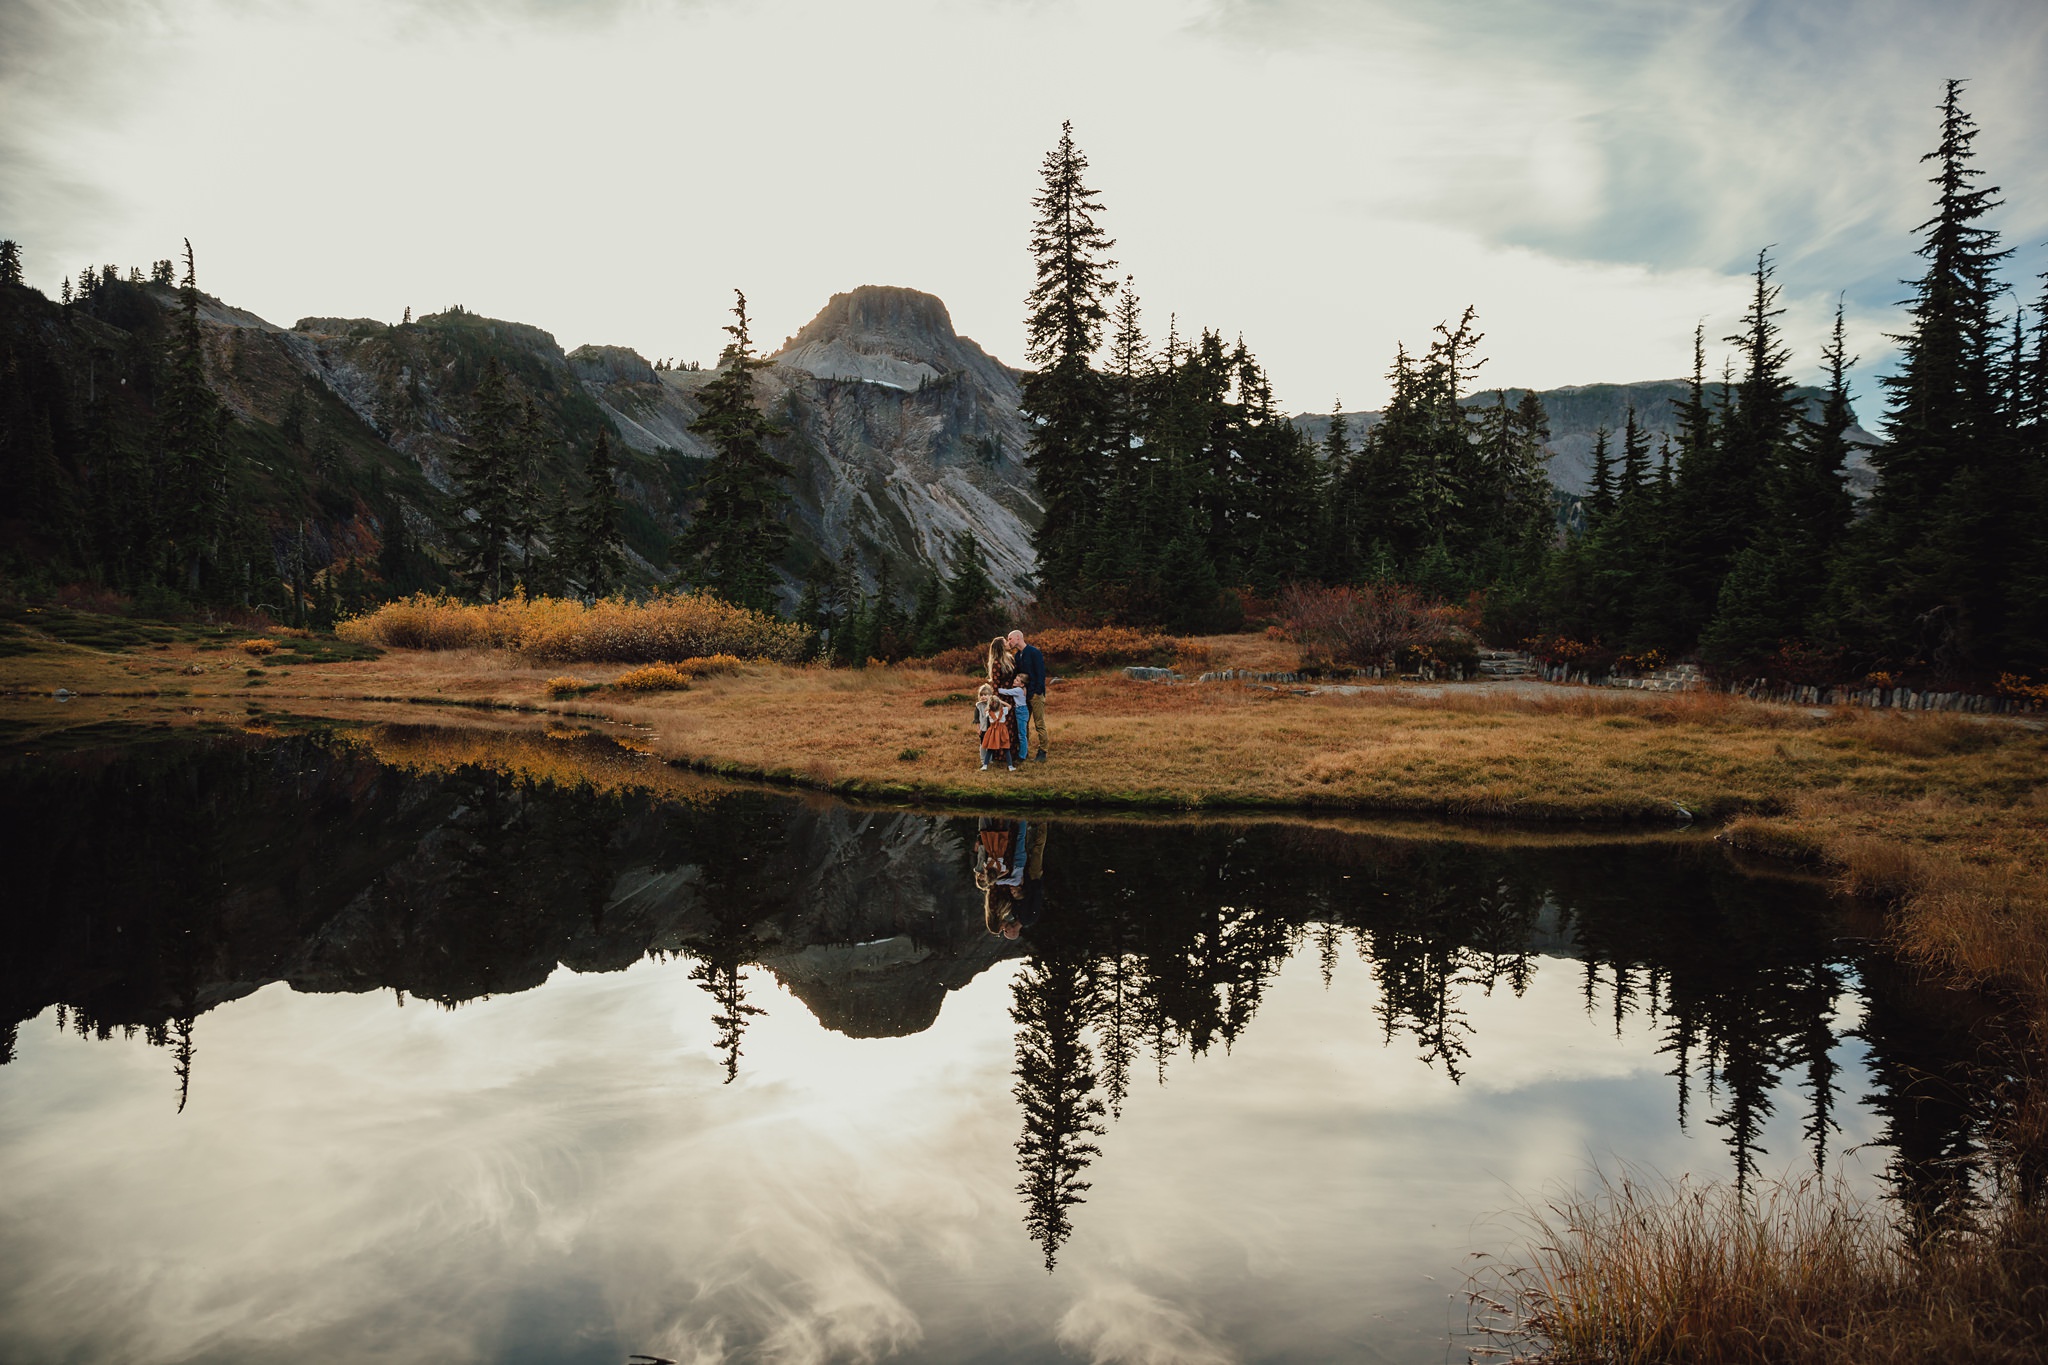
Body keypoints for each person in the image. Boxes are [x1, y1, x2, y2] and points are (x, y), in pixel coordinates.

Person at [1007, 629, 1047, 763]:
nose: (1009, 642)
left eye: (1010, 639)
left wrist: (1037, 691)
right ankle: (1024, 752)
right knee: (1023, 724)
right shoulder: (1017, 656)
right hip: (1023, 697)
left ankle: (1043, 751)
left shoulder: (1034, 652)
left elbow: (1041, 673)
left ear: (1018, 638)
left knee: (1039, 723)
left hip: (1035, 694)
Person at [987, 637, 1029, 753]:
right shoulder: (996, 663)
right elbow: (995, 685)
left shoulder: (1010, 658)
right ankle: (1002, 753)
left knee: (1013, 725)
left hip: (1013, 695)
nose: (1008, 643)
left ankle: (1013, 751)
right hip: (1003, 698)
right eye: (1005, 642)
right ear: (1001, 646)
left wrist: (1022, 687)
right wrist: (997, 702)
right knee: (1004, 724)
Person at [975, 682, 1015, 771]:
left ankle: (985, 765)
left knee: (990, 748)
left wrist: (989, 704)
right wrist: (1000, 701)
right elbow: (1010, 706)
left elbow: (985, 710)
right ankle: (1010, 766)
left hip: (993, 731)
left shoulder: (989, 713)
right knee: (1006, 748)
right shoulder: (1003, 710)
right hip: (1002, 731)